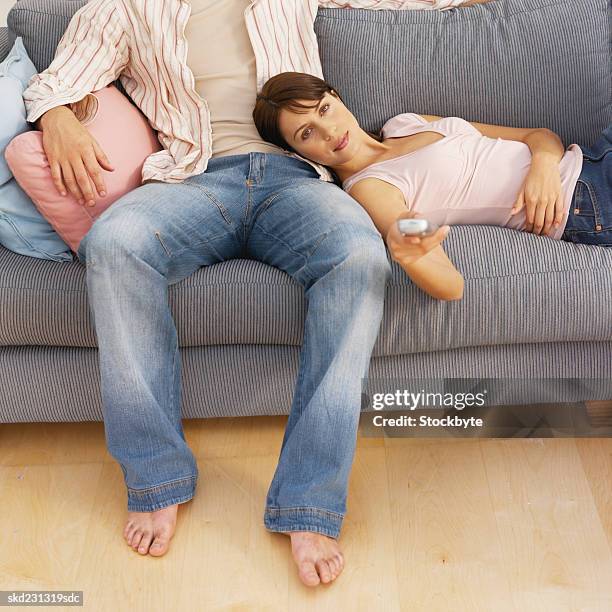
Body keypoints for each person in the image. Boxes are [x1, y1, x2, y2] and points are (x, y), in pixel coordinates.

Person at [21, 0, 492, 588]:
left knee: (358, 256)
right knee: (115, 241)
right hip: (192, 179)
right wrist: (58, 118)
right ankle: (155, 476)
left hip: (293, 180)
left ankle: (309, 501)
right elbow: (55, 81)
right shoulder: (123, 7)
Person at [253, 72, 612, 301]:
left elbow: (540, 136)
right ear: (296, 152)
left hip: (592, 158)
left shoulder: (404, 123)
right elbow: (441, 273)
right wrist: (413, 258)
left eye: (324, 109)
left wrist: (544, 168)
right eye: (306, 133)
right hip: (588, 204)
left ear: (336, 96)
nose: (328, 131)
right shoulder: (371, 189)